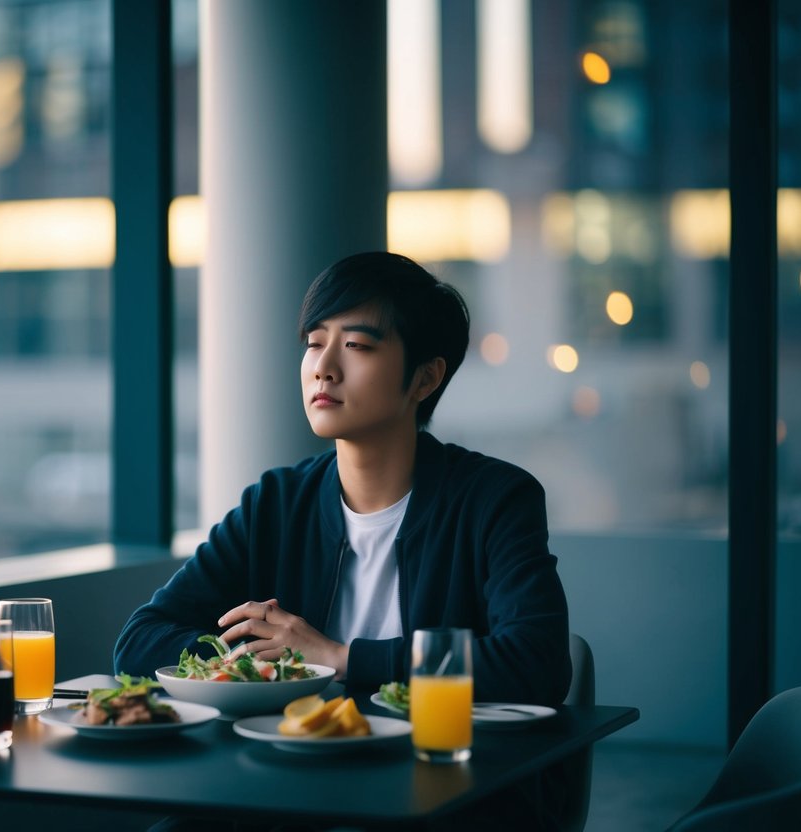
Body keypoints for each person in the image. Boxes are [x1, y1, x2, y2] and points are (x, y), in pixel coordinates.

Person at [115, 251, 570, 708]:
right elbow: (139, 641)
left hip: (440, 767)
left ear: (425, 378)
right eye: (314, 342)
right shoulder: (276, 504)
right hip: (295, 765)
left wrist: (338, 657)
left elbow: (538, 662)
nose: (323, 368)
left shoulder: (494, 499)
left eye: (357, 346)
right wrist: (269, 662)